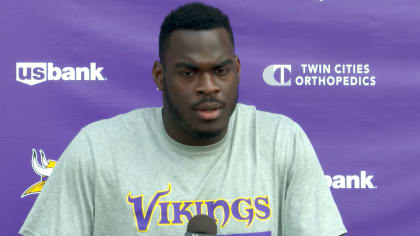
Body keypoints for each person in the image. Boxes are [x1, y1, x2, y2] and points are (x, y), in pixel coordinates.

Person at [20, 2, 347, 236]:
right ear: (160, 76)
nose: (208, 87)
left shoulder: (281, 141)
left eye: (220, 71)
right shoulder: (97, 148)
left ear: (237, 70)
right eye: (189, 72)